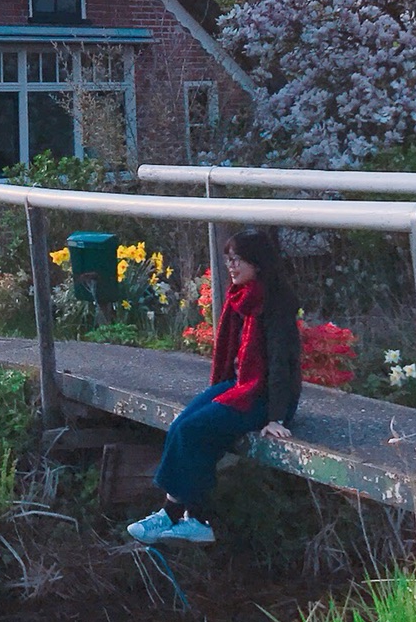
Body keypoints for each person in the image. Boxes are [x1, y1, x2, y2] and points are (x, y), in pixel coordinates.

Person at [128, 226, 303, 545]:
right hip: (238, 386)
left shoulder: (276, 305)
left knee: (195, 430)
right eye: (229, 260)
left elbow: (282, 365)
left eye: (238, 260)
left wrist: (277, 417)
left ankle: (187, 517)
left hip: (265, 398)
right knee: (182, 424)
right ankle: (183, 516)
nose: (231, 267)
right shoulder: (241, 298)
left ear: (258, 263)